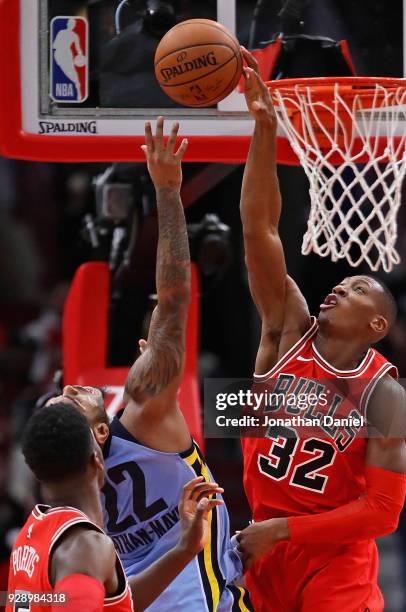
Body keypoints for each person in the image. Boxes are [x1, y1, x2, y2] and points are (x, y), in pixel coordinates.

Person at [45, 118, 252, 611]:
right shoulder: (145, 416)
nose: (74, 387)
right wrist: (167, 192)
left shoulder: (66, 502)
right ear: (96, 436)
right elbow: (176, 300)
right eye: (70, 399)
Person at [236, 49, 406, 612]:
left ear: (377, 325)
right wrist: (265, 129)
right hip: (263, 552)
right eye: (343, 283)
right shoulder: (286, 330)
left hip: (334, 561)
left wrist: (287, 531)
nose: (340, 288)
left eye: (359, 288)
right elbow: (260, 228)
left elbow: (384, 512)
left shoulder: (386, 392)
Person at [6, 403, 223, 611]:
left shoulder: (29, 535)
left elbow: (118, 605)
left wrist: (185, 549)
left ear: (36, 474)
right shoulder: (86, 548)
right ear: (97, 461)